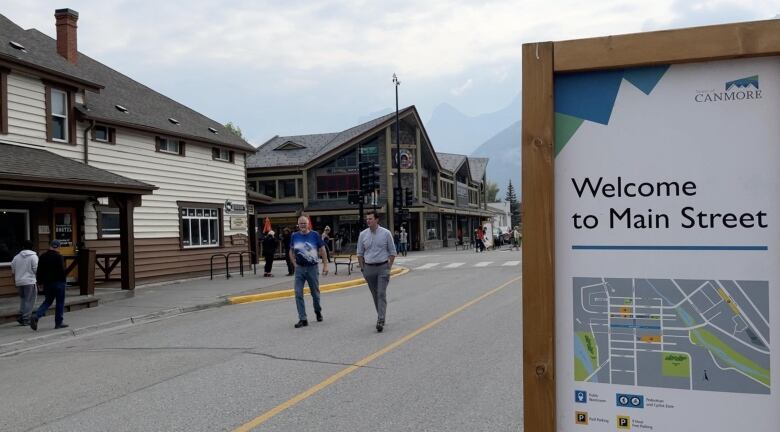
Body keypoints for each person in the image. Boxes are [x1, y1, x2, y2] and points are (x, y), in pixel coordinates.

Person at [357, 210, 397, 333]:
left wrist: (388, 267)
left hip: (382, 268)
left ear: (376, 220)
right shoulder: (363, 235)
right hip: (369, 268)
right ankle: (381, 315)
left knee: (381, 293)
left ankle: (380, 319)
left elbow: (392, 252)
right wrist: (363, 269)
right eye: (367, 219)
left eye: (370, 219)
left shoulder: (386, 233)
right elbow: (359, 253)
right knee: (375, 295)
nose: (368, 221)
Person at [289, 215, 329, 328]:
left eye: (304, 223)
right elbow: (291, 251)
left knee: (315, 294)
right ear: (298, 224)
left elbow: (322, 250)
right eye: (300, 223)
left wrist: (325, 265)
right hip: (300, 269)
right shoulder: (294, 236)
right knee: (298, 293)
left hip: (312, 268)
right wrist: (294, 264)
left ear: (308, 224)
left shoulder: (315, 235)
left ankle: (317, 311)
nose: (302, 225)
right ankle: (303, 318)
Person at [30, 240, 67, 331]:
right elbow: (62, 270)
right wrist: (64, 281)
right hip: (59, 282)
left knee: (48, 301)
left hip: (47, 283)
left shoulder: (43, 256)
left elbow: (39, 271)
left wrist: (40, 283)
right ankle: (58, 323)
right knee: (60, 302)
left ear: (50, 246)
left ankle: (36, 315)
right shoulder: (59, 257)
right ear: (58, 247)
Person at [10, 240, 38, 326]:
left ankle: (21, 316)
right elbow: (36, 269)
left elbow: (13, 270)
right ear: (32, 247)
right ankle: (26, 318)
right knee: (30, 300)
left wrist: (15, 281)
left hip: (19, 281)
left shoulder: (16, 257)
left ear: (22, 247)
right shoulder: (33, 257)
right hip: (29, 281)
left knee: (23, 300)